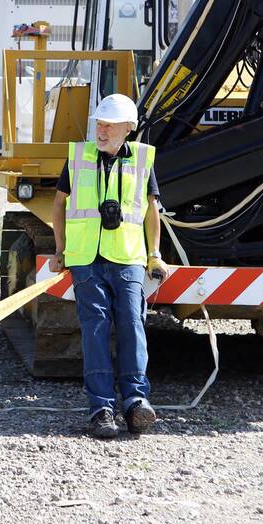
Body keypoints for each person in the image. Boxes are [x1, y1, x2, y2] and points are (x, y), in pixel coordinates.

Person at [48, 93, 169, 439]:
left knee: (132, 322)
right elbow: (59, 204)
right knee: (95, 327)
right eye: (98, 124)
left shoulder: (143, 160)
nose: (101, 132)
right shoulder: (79, 157)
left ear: (127, 129)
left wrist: (155, 253)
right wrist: (61, 249)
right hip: (87, 259)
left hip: (128, 257)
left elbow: (150, 211)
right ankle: (102, 408)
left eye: (109, 126)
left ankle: (135, 401)